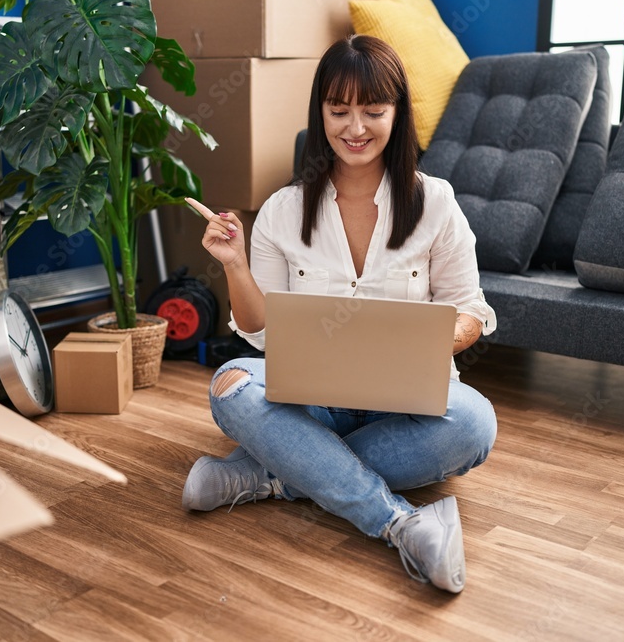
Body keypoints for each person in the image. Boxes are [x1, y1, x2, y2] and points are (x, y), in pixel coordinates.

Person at [181, 35, 497, 594]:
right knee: (230, 384)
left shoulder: (437, 203)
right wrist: (233, 264)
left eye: (374, 110)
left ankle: (271, 474)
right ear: (320, 113)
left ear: (397, 115)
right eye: (339, 110)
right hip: (312, 403)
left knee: (474, 424)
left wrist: (429, 339)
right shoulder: (283, 210)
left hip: (407, 407)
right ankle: (401, 522)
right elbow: (258, 335)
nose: (356, 127)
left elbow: (471, 310)